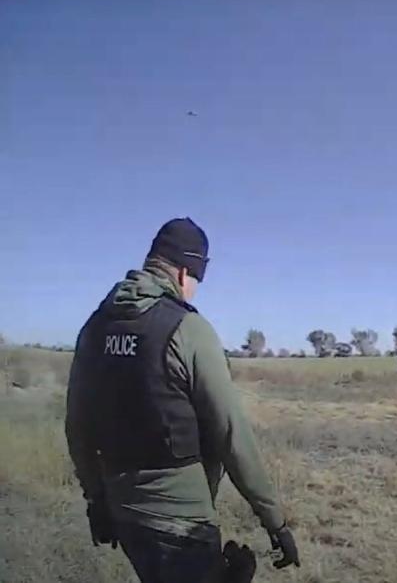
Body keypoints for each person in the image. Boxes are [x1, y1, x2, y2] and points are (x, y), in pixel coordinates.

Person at [65, 217, 299, 583]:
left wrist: (96, 499)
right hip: (181, 524)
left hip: (122, 510)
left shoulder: (95, 327)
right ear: (184, 272)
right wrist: (275, 522)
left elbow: (77, 425)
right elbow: (231, 435)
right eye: (197, 282)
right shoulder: (187, 330)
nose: (194, 291)